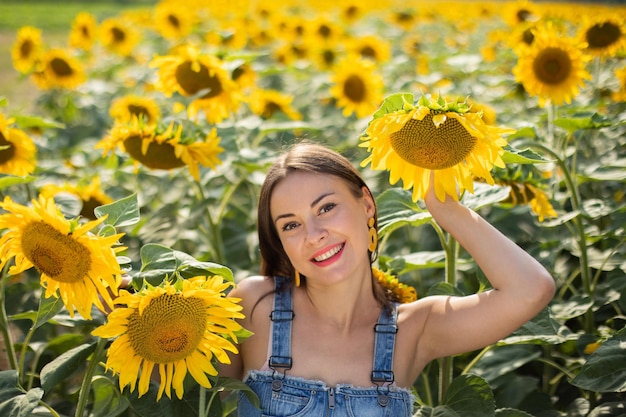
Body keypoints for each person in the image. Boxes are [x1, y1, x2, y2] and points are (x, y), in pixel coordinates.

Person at [222, 142, 555, 416]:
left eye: (326, 208)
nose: (314, 235)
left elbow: (530, 289)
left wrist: (445, 208)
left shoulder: (414, 329)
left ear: (367, 204)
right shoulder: (255, 306)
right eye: (291, 225)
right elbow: (197, 404)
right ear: (279, 241)